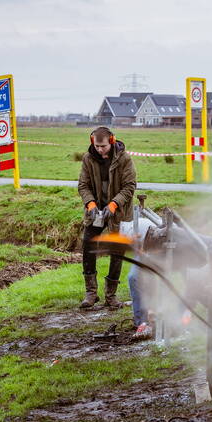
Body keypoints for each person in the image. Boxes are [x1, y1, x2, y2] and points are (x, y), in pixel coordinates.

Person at [77, 127, 136, 308]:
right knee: (88, 244)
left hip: (117, 212)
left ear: (111, 141)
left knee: (117, 251)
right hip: (95, 211)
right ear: (92, 142)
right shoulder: (88, 158)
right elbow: (83, 185)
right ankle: (91, 294)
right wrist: (91, 204)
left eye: (103, 146)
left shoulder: (124, 159)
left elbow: (129, 186)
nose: (100, 150)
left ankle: (111, 296)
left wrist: (114, 204)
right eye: (97, 146)